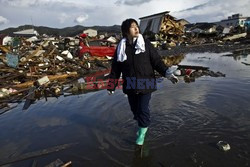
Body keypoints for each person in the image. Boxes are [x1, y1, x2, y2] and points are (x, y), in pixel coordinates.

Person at [107, 18, 178, 146]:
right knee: (135, 110)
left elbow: (156, 61)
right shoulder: (121, 47)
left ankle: (142, 133)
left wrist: (168, 74)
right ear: (125, 31)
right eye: (132, 27)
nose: (136, 29)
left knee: (143, 109)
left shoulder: (145, 43)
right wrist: (111, 86)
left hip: (146, 82)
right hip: (130, 84)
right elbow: (116, 68)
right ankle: (141, 122)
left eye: (136, 26)